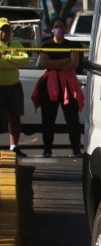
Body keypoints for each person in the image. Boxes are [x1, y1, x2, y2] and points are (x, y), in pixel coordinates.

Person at [33, 17, 85, 157]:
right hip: (50, 84)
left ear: (65, 29)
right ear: (51, 29)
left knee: (72, 119)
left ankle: (76, 149)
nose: (59, 29)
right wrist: (64, 60)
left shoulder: (73, 45)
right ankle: (47, 149)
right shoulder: (46, 45)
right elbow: (44, 64)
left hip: (68, 84)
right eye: (56, 26)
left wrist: (54, 64)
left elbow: (73, 64)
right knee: (48, 119)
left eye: (61, 26)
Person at [0, 18, 30, 156]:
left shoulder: (16, 44)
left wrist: (7, 58)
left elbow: (25, 60)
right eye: (1, 29)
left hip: (13, 85)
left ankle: (14, 146)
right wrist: (13, 63)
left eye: (6, 29)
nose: (4, 32)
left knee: (15, 116)